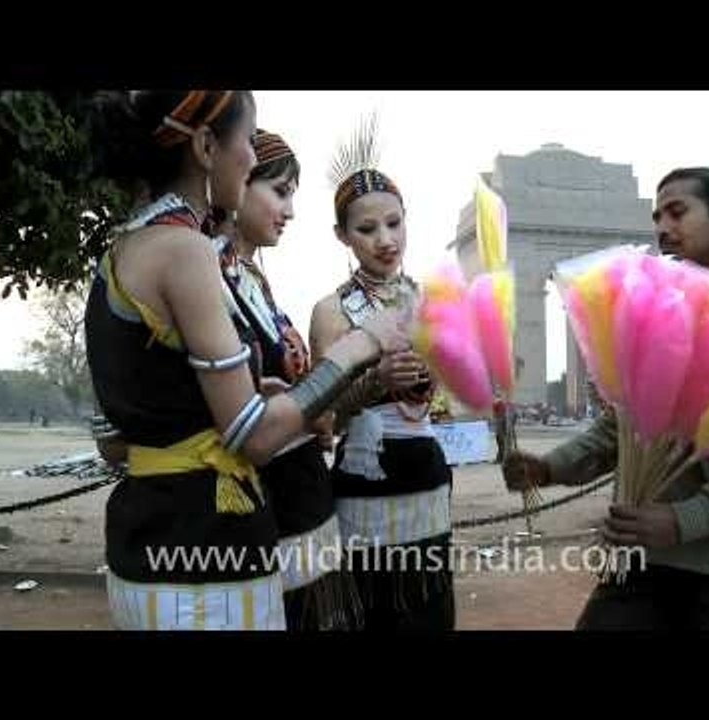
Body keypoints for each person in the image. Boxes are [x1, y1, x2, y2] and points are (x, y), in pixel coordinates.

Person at [84, 91, 404, 630]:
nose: (252, 157)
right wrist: (359, 346)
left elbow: (135, 423)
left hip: (150, 536)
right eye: (247, 145)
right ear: (207, 146)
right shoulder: (185, 251)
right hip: (207, 543)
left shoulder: (124, 247)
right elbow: (251, 436)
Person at [504, 168, 709, 630]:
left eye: (677, 212)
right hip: (639, 563)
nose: (662, 229)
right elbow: (622, 428)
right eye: (656, 216)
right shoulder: (654, 311)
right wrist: (550, 467)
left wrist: (679, 520)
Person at [309, 118, 455, 630]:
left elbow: (445, 398)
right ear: (341, 235)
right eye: (366, 229)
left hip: (429, 479)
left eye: (394, 223)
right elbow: (321, 417)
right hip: (366, 487)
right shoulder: (332, 312)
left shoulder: (430, 303)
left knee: (430, 611)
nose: (385, 240)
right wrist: (377, 382)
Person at [213, 129, 361, 630]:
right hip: (263, 501)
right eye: (279, 191)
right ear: (235, 182)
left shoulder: (251, 278)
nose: (291, 211)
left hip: (305, 496)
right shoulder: (208, 275)